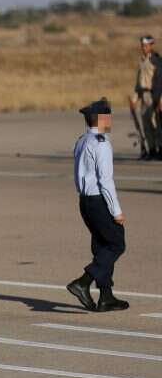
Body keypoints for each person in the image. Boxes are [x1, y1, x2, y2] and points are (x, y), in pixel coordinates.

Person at [67, 98, 129, 312]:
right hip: (98, 201)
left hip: (85, 201)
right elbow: (106, 181)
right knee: (116, 244)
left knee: (101, 246)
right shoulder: (102, 144)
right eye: (108, 116)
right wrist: (116, 211)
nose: (110, 120)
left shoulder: (82, 141)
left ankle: (106, 296)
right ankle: (83, 282)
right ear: (101, 119)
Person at [128, 36, 162, 160]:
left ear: (151, 45)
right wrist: (134, 99)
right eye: (142, 46)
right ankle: (151, 150)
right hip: (143, 95)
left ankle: (160, 149)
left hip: (154, 95)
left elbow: (160, 82)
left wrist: (160, 100)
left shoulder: (156, 60)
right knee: (146, 124)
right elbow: (139, 83)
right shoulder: (142, 61)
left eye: (146, 45)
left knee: (155, 124)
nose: (144, 48)